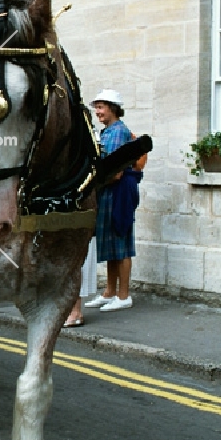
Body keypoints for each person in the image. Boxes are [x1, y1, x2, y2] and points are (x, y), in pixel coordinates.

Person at [85, 89, 141, 312]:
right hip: (110, 190)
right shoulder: (108, 131)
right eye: (96, 107)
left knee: (121, 242)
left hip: (117, 190)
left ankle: (124, 295)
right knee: (110, 242)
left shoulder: (117, 132)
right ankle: (109, 292)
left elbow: (114, 170)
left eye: (101, 107)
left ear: (113, 108)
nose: (97, 112)